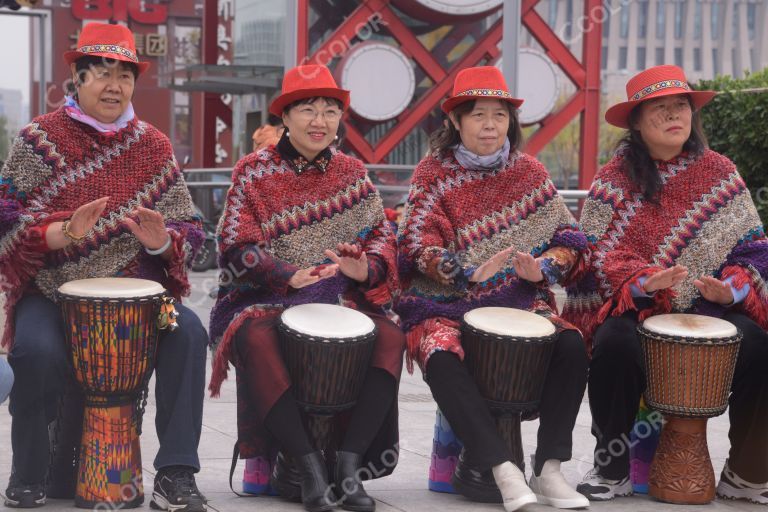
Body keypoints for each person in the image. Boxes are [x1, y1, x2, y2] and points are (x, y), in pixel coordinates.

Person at [0, 23, 208, 511]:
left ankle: (176, 474)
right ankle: (28, 472)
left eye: (125, 76)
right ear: (77, 77)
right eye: (103, 74)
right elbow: (4, 220)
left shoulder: (154, 145)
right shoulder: (38, 139)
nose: (115, 86)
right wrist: (62, 232)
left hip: (139, 297)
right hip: (52, 291)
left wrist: (163, 245)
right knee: (33, 352)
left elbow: (191, 230)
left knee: (191, 334)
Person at [563, 65, 768, 505]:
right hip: (639, 312)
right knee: (613, 342)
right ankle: (611, 468)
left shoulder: (720, 173)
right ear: (636, 121)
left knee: (760, 344)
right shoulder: (613, 178)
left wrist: (730, 289)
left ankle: (747, 473)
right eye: (661, 109)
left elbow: (754, 251)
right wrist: (640, 282)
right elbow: (594, 256)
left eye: (682, 107)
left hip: (711, 314)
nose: (676, 115)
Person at [208, 64, 405, 512]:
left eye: (331, 110)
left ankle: (350, 465)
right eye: (309, 109)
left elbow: (381, 235)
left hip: (341, 297)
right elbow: (235, 245)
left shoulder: (353, 173)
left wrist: (363, 269)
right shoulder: (252, 171)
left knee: (391, 336)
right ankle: (308, 465)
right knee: (257, 336)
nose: (320, 121)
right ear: (286, 116)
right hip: (266, 297)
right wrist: (284, 273)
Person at [395, 66, 590, 512]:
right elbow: (414, 242)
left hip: (523, 302)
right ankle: (504, 470)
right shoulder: (432, 173)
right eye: (478, 115)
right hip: (444, 304)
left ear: (510, 123)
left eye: (498, 116)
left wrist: (541, 268)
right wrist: (459, 270)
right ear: (457, 122)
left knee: (573, 345)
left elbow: (570, 239)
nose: (489, 125)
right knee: (441, 354)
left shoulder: (530, 173)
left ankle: (550, 469)